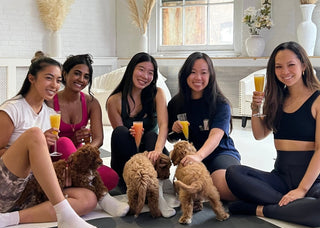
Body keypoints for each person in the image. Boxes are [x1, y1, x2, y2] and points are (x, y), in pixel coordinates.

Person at [0, 53, 101, 228]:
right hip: (5, 185)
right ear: (31, 78)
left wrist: (60, 171)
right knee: (35, 134)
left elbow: (44, 159)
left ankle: (7, 219)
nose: (55, 85)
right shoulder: (12, 109)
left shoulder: (49, 113)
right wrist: (31, 146)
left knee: (89, 199)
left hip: (29, 189)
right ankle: (65, 213)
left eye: (58, 80)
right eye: (49, 78)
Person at [226, 41, 320, 227]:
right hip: (281, 178)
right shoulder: (277, 98)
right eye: (279, 67)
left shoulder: (317, 99)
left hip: (313, 180)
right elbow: (259, 134)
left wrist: (302, 189)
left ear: (303, 65)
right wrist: (255, 109)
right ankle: (292, 207)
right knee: (234, 173)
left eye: (291, 65)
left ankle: (258, 209)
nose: (285, 71)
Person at [46, 54, 129, 217]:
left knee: (111, 177)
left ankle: (67, 187)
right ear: (65, 74)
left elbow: (98, 139)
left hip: (78, 160)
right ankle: (102, 196)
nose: (81, 80)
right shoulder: (49, 101)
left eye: (86, 76)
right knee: (63, 142)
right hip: (56, 158)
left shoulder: (91, 102)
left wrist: (84, 150)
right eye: (77, 73)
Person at [107, 52, 175, 217]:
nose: (145, 76)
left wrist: (158, 150)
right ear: (131, 70)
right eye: (141, 69)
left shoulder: (157, 93)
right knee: (121, 132)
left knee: (151, 136)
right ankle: (130, 183)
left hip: (151, 152)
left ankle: (154, 185)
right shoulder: (114, 101)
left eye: (150, 72)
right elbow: (120, 139)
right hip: (128, 157)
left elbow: (164, 125)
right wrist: (131, 134)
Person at [167, 52, 241, 201]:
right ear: (185, 75)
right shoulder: (176, 103)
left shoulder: (220, 103)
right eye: (193, 72)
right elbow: (171, 138)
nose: (198, 78)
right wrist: (174, 130)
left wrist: (198, 156)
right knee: (190, 189)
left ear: (211, 75)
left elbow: (216, 135)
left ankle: (256, 196)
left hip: (220, 153)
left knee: (221, 187)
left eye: (203, 73)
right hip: (191, 157)